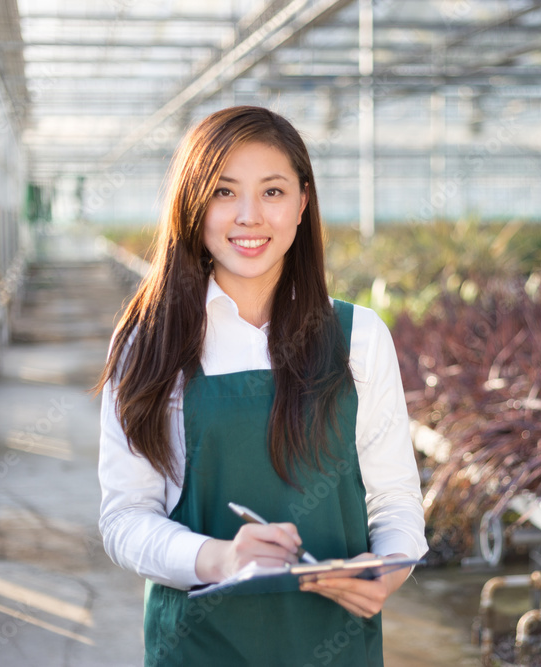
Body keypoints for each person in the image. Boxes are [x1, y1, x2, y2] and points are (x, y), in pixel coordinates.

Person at [96, 106, 427, 666]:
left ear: (302, 203)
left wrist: (386, 571)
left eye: (272, 192)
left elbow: (394, 500)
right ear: (193, 206)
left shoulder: (358, 337)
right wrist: (220, 559)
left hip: (334, 644)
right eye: (224, 192)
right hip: (196, 647)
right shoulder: (148, 345)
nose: (249, 216)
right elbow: (125, 518)